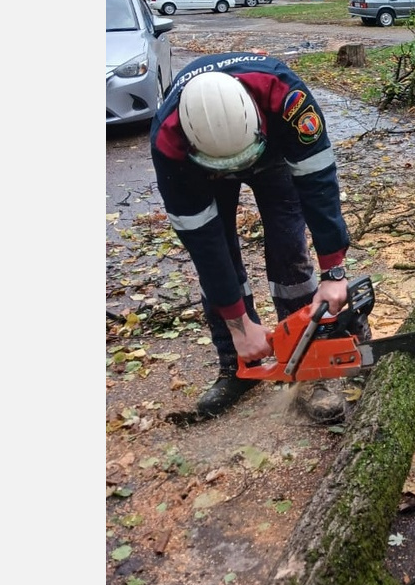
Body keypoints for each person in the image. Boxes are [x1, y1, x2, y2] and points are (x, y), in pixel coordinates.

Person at [150, 52, 357, 423]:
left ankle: (307, 364)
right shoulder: (169, 142)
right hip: (201, 171)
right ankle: (238, 363)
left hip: (273, 154)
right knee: (221, 253)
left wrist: (334, 272)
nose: (238, 170)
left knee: (288, 245)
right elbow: (204, 244)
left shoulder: (286, 98)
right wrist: (238, 324)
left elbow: (319, 185)